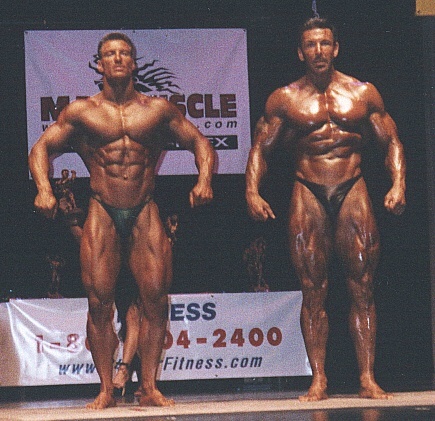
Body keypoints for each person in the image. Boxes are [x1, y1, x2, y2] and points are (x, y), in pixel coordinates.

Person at [29, 32, 215, 409]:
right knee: (99, 302)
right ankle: (105, 389)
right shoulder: (82, 112)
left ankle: (149, 386)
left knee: (156, 299)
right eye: (110, 54)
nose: (117, 59)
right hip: (102, 208)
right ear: (99, 64)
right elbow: (41, 148)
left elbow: (200, 142)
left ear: (133, 63)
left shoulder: (158, 110)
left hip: (144, 207)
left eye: (124, 53)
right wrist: (44, 189)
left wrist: (205, 180)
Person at [245, 17, 406, 402]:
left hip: (353, 186)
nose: (318, 51)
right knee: (312, 288)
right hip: (307, 188)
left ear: (336, 48)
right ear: (301, 52)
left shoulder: (363, 92)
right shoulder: (285, 98)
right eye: (311, 45)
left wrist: (399, 183)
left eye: (324, 43)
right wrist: (252, 191)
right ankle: (318, 378)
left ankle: (367, 377)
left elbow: (391, 141)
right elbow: (260, 149)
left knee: (362, 285)